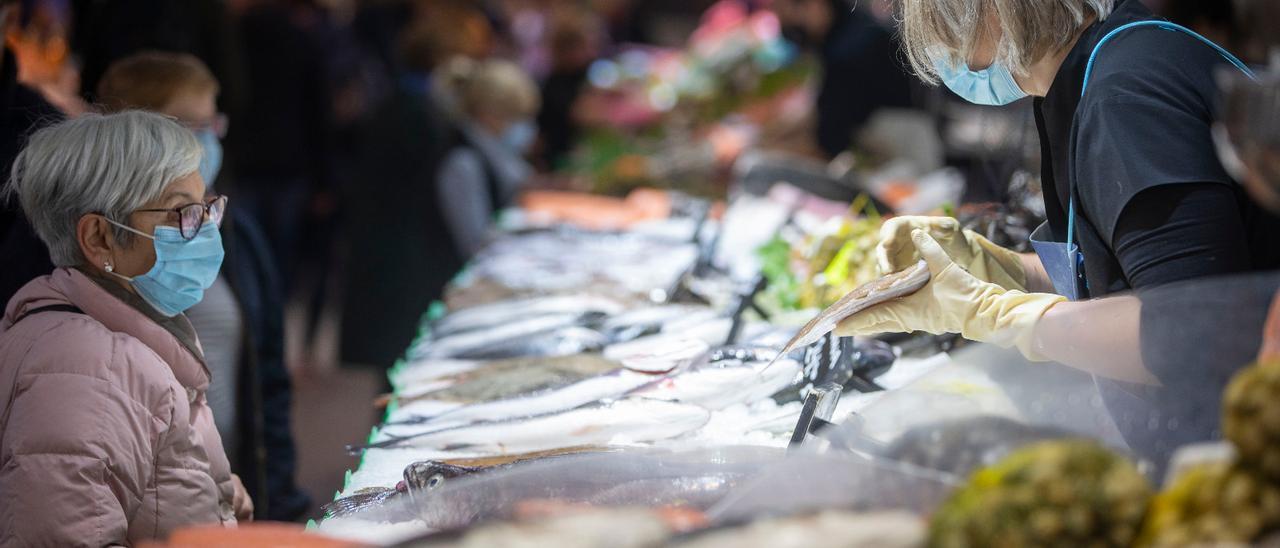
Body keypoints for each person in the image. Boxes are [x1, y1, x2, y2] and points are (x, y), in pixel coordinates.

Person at [837, 0, 1280, 463]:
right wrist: (1004, 272)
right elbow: (1126, 276)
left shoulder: (1126, 94)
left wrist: (1001, 318)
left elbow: (1194, 333)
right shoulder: (1103, 64)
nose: (942, 39)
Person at [0, 111, 251, 545]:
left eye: (207, 207)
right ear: (99, 238)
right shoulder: (89, 369)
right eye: (181, 214)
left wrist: (217, 504)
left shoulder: (119, 336)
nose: (207, 230)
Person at [96, 51, 310, 521]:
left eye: (214, 124)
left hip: (234, 488)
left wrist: (280, 497)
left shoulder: (234, 232)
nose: (209, 141)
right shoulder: (107, 248)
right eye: (191, 126)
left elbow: (267, 377)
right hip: (154, 509)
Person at [771, 0, 915, 158]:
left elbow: (828, 140)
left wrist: (768, 152)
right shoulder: (847, 26)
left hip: (911, 145)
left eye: (786, 14)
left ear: (815, 5)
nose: (786, 26)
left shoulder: (846, 54)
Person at [434, 57, 540, 259]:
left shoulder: (492, 154)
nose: (523, 127)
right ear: (487, 115)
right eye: (515, 117)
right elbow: (475, 242)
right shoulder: (463, 161)